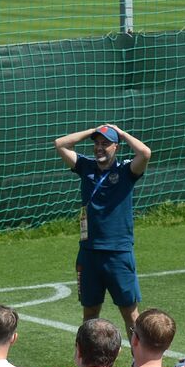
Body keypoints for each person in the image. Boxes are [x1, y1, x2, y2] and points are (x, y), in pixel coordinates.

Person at [54, 125, 152, 337]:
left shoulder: (126, 171)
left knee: (130, 312)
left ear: (116, 147)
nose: (99, 148)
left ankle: (139, 363)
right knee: (90, 312)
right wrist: (91, 131)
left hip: (118, 252)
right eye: (97, 143)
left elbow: (145, 153)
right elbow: (60, 144)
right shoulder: (86, 167)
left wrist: (123, 133)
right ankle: (89, 363)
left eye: (105, 144)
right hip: (89, 252)